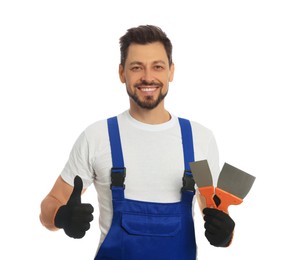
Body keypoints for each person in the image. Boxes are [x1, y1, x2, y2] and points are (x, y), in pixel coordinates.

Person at [40, 25, 235, 259]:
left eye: (158, 67)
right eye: (136, 67)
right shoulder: (97, 136)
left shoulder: (199, 138)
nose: (148, 77)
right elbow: (50, 204)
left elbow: (213, 210)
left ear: (171, 72)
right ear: (122, 73)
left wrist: (226, 234)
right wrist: (61, 216)